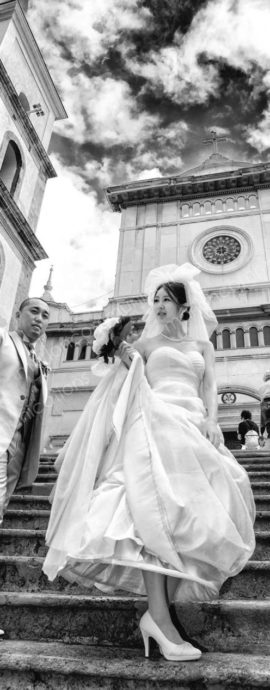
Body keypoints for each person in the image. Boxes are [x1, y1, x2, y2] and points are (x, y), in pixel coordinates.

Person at [43, 263, 255, 662]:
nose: (158, 306)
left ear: (183, 307)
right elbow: (121, 381)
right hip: (155, 423)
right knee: (150, 510)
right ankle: (159, 618)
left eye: (166, 300)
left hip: (193, 427)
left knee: (188, 513)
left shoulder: (203, 347)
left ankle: (157, 615)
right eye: (155, 299)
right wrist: (117, 353)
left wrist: (212, 422)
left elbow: (210, 387)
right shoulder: (142, 346)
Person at [0, 297, 50, 524]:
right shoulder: (3, 340)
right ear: (18, 315)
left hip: (18, 448)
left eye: (45, 315)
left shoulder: (40, 363)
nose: (39, 318)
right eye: (34, 311)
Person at [258, 371, 270, 439]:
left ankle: (263, 434)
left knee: (264, 421)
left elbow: (261, 397)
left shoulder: (261, 386)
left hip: (265, 403)